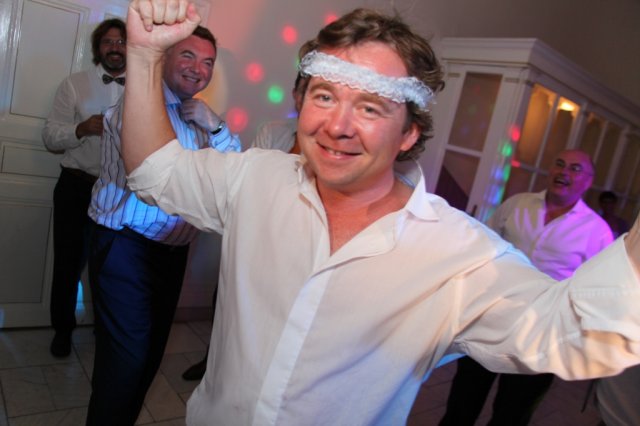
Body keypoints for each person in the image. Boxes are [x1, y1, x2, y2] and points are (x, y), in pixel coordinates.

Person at [122, 2, 640, 424]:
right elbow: (154, 170)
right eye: (325, 96)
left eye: (370, 107)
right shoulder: (255, 178)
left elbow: (576, 335)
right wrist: (145, 54)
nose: (337, 126)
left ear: (409, 132)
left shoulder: (456, 255)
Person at [86, 23, 240, 425]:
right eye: (188, 55)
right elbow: (156, 172)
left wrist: (217, 126)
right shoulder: (139, 103)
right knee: (128, 360)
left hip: (172, 253)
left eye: (207, 62)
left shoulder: (200, 116)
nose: (198, 69)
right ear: (165, 57)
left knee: (149, 355)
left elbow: (236, 176)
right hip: (125, 247)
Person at [440, 149, 614, 426]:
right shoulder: (517, 204)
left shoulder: (597, 231)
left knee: (512, 414)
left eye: (575, 168)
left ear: (589, 181)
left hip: (542, 334)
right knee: (462, 403)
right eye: (559, 164)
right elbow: (483, 249)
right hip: (489, 319)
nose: (564, 172)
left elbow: (597, 289)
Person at [42, 18, 126, 358]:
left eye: (121, 42)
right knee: (67, 263)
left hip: (118, 191)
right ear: (97, 48)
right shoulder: (74, 84)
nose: (115, 48)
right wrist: (80, 129)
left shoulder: (145, 92)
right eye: (108, 41)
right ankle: (62, 330)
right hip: (75, 187)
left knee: (112, 268)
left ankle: (105, 330)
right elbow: (50, 137)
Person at [251, 74, 306, 153]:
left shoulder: (325, 140)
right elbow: (254, 161)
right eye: (303, 91)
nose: (307, 99)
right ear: (294, 94)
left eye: (316, 95)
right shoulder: (270, 132)